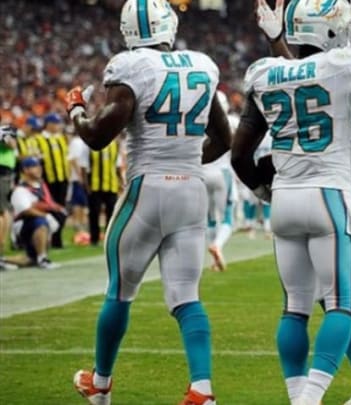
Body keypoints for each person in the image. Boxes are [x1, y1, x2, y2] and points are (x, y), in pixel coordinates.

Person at [232, 1, 351, 404]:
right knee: (343, 305)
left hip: (284, 201)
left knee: (295, 308)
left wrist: (263, 190)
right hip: (329, 197)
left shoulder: (264, 72)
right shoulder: (341, 65)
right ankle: (313, 399)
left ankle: (298, 395)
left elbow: (240, 156)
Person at [65, 1, 232, 404]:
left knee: (120, 291)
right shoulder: (201, 65)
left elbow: (98, 135)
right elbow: (223, 140)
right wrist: (185, 161)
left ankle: (100, 385)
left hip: (147, 189)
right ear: (169, 26)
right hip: (190, 191)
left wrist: (74, 109)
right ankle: (202, 391)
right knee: (187, 297)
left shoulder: (131, 66)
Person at [202, 90, 239, 271]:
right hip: (222, 172)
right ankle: (218, 245)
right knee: (227, 218)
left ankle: (214, 261)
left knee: (209, 218)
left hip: (202, 172)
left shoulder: (198, 120)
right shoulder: (232, 122)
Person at [10, 156, 63, 269]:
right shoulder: (21, 189)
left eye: (39, 165)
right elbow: (26, 210)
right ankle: (42, 258)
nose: (39, 169)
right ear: (25, 170)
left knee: (29, 260)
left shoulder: (41, 186)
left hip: (37, 225)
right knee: (40, 221)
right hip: (24, 227)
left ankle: (33, 257)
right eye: (34, 166)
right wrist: (47, 216)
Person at [80, 138, 123, 247]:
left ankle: (110, 238)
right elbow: (84, 167)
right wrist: (86, 185)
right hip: (95, 185)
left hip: (111, 184)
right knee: (94, 213)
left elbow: (117, 167)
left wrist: (121, 182)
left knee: (112, 213)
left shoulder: (115, 145)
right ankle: (94, 239)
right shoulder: (90, 145)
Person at [36, 112, 70, 248]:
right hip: (47, 180)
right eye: (55, 123)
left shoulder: (61, 139)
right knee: (48, 208)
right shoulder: (39, 139)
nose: (58, 126)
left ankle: (57, 239)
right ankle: (47, 239)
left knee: (60, 209)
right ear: (48, 124)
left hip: (62, 179)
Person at [0, 125, 19, 270]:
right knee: (2, 214)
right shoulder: (4, 133)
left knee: (5, 213)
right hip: (2, 175)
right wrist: (5, 136)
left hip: (6, 175)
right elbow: (12, 145)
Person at [67, 133, 90, 240]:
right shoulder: (77, 142)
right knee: (78, 201)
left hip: (84, 176)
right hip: (78, 177)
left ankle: (81, 224)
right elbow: (72, 159)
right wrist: (79, 175)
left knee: (82, 202)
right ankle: (78, 224)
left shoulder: (84, 142)